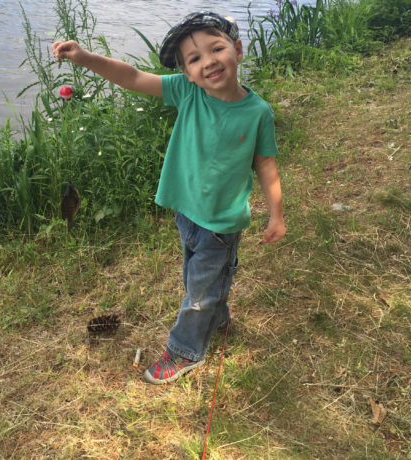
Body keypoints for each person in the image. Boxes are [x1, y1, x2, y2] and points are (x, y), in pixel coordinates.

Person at [52, 11, 285, 384]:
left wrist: (277, 214)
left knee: (197, 293)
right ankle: (218, 316)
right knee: (197, 278)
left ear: (238, 50)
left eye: (216, 48)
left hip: (222, 223)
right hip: (186, 213)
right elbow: (131, 77)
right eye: (194, 59)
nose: (207, 61)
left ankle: (184, 351)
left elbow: (266, 165)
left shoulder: (258, 113)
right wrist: (84, 57)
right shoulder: (187, 92)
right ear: (188, 73)